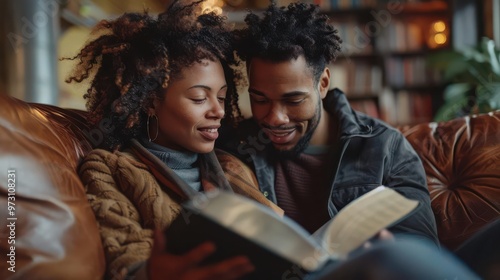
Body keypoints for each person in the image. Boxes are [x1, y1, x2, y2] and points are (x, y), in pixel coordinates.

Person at [65, 1, 278, 279]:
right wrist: (152, 273)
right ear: (151, 102)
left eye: (222, 97)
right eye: (200, 98)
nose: (219, 111)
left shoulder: (233, 167)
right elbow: (125, 256)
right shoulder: (109, 169)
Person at [218, 2, 438, 245]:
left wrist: (391, 249)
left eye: (293, 100)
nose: (274, 118)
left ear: (323, 84)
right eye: (259, 99)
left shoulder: (387, 147)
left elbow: (423, 249)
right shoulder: (235, 145)